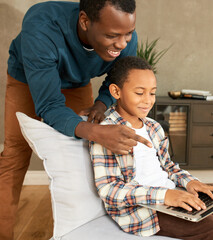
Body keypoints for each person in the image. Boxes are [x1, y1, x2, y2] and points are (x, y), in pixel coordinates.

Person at [0, 1, 153, 239]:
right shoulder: (41, 28)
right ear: (84, 21)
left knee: (83, 150)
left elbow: (118, 78)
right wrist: (95, 131)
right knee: (15, 153)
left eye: (128, 34)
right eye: (113, 35)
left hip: (76, 82)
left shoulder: (125, 37)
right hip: (28, 79)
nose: (122, 44)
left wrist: (102, 103)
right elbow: (49, 105)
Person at [90, 56, 213, 240]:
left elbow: (169, 167)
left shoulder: (153, 127)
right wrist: (164, 196)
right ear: (116, 91)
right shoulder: (106, 133)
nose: (148, 100)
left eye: (152, 93)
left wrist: (191, 182)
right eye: (139, 93)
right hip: (144, 209)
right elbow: (110, 190)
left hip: (174, 194)